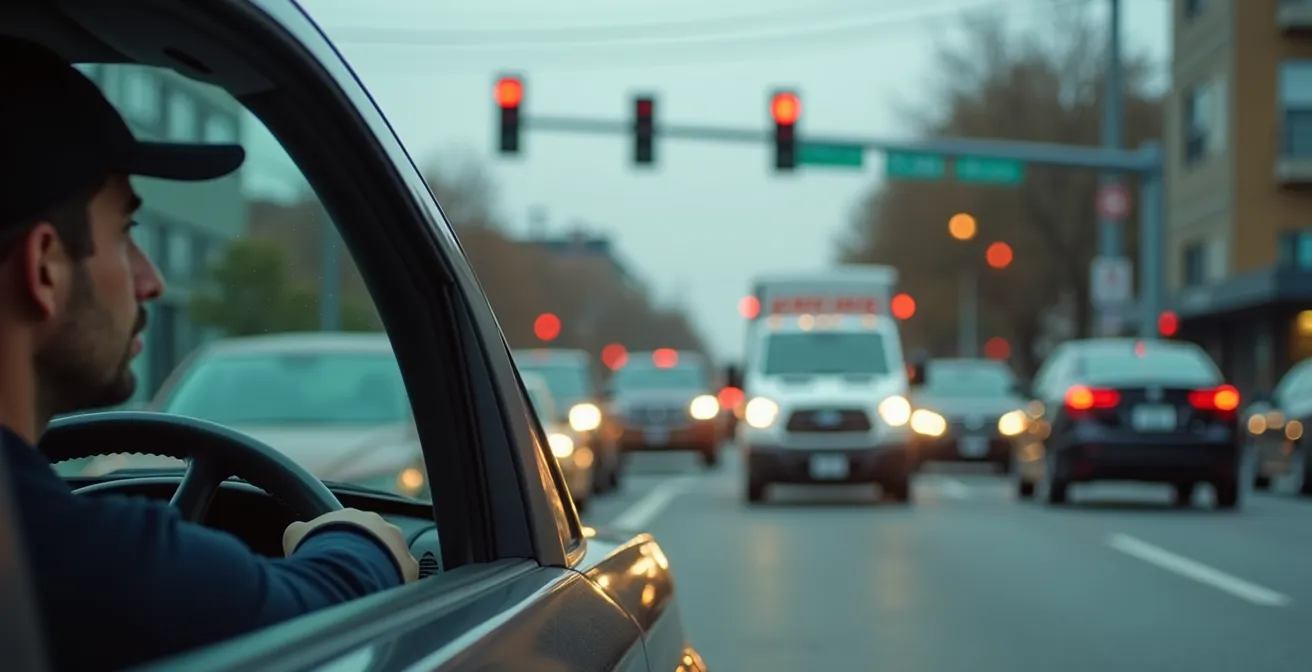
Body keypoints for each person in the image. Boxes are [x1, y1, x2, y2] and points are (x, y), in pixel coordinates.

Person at [0, 37, 420, 671]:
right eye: (124, 234)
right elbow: (315, 616)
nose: (151, 281)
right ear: (45, 268)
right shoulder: (74, 556)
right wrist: (359, 542)